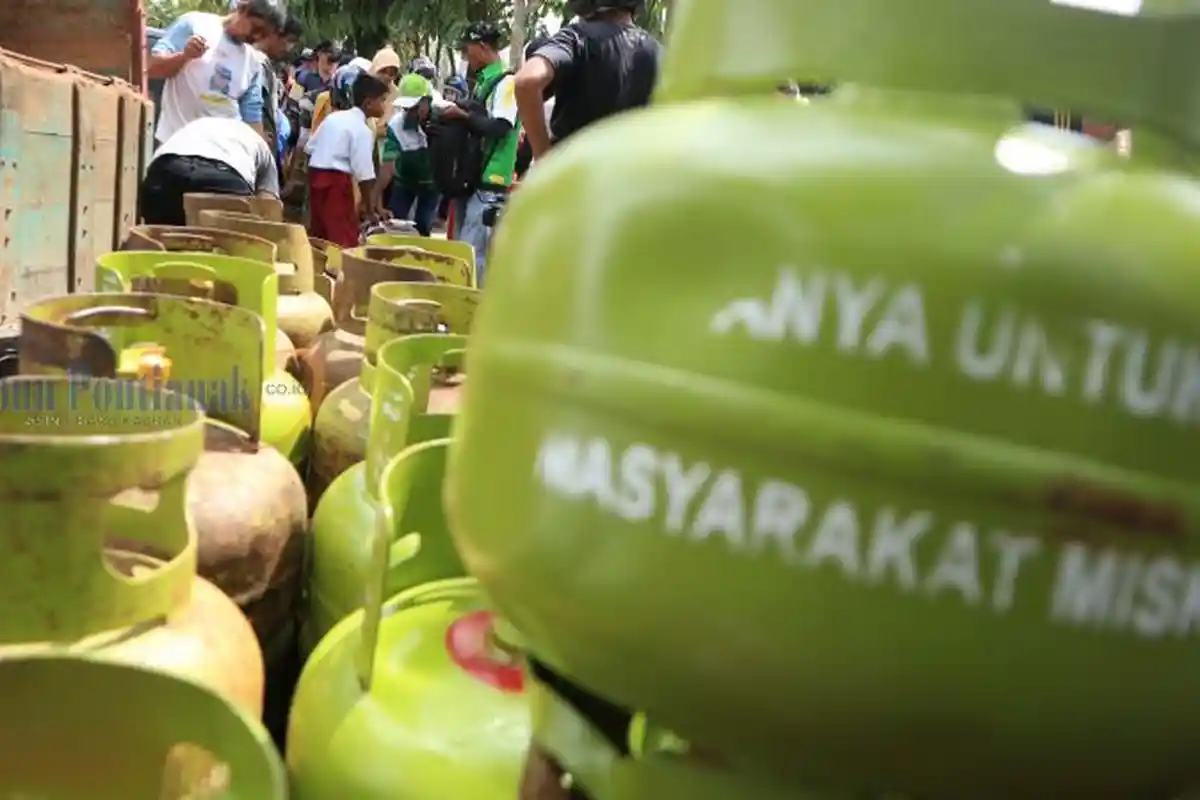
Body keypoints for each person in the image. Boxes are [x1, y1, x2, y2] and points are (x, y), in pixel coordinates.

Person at [515, 0, 661, 162]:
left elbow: (527, 81)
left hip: (574, 173)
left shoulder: (578, 37)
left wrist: (543, 157)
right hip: (631, 176)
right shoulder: (660, 52)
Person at [148, 0, 285, 146]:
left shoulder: (253, 61)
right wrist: (185, 56)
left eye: (264, 35)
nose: (256, 37)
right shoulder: (195, 24)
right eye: (257, 28)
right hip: (175, 146)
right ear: (243, 10)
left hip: (222, 156)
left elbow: (252, 118)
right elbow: (152, 69)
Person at [447, 21, 521, 282]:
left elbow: (500, 126)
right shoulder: (484, 82)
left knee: (473, 254)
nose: (466, 55)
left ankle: (472, 312)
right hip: (473, 177)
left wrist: (462, 115)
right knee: (461, 250)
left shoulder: (507, 83)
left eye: (468, 49)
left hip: (491, 181)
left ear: (483, 46)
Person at [139, 116, 280, 226]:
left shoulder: (202, 124)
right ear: (270, 138)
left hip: (164, 171)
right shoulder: (263, 147)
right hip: (222, 179)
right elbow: (267, 206)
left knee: (161, 247)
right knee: (232, 249)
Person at [305, 73, 391, 247]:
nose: (384, 106)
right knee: (342, 239)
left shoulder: (334, 118)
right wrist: (370, 208)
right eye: (382, 100)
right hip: (336, 182)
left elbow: (310, 148)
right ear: (368, 103)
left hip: (315, 177)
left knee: (320, 235)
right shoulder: (362, 130)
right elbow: (365, 175)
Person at [379, 74, 440, 236]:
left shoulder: (444, 120)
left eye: (415, 108)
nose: (410, 113)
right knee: (395, 223)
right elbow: (387, 166)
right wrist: (374, 198)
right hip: (404, 181)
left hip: (433, 184)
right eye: (407, 109)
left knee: (423, 225)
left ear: (427, 102)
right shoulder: (396, 126)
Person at [254, 13, 303, 164]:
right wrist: (258, 132)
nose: (290, 48)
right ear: (275, 34)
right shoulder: (254, 63)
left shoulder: (268, 65)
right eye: (289, 41)